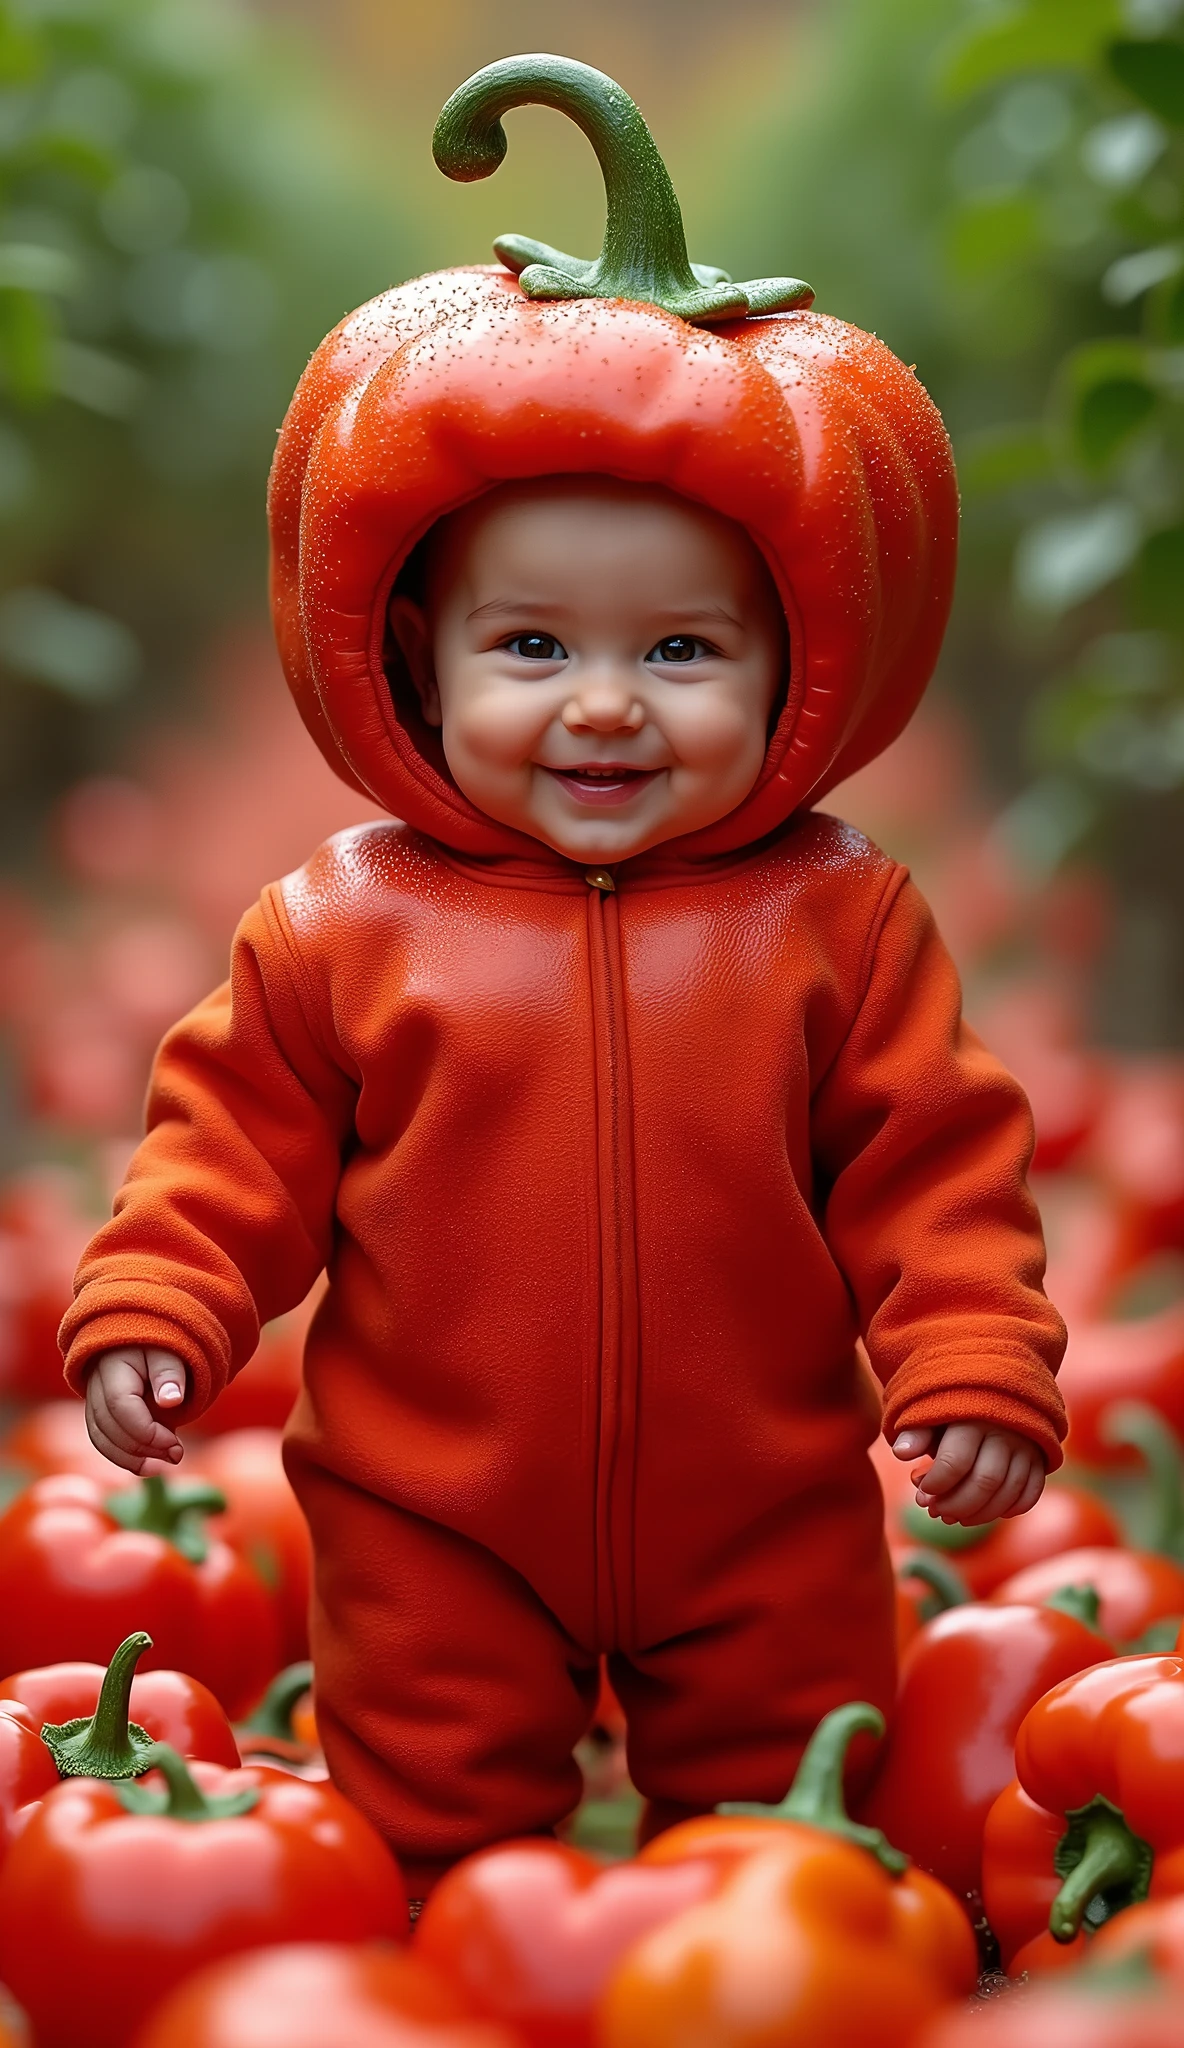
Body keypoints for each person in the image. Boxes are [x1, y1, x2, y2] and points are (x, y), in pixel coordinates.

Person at [60, 58, 1066, 1900]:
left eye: (683, 647)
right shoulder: (343, 925)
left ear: (800, 669)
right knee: (427, 1824)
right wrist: (162, 1301)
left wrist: (972, 1353)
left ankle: (744, 1957)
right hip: (428, 1506)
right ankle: (453, 1941)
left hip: (765, 1509)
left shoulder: (840, 921)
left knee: (779, 1838)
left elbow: (940, 1160)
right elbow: (232, 1153)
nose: (605, 702)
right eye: (534, 644)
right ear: (419, 658)